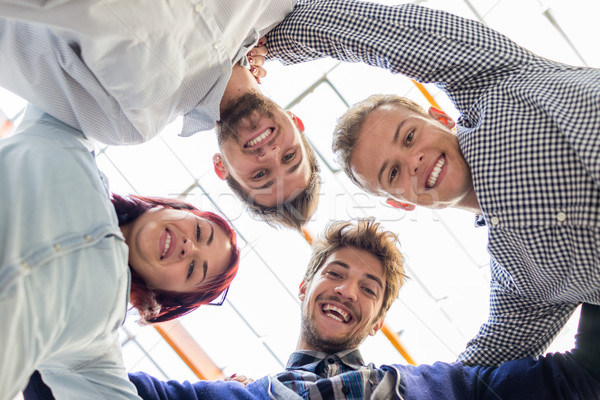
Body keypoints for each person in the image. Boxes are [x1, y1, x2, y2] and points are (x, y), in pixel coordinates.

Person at [265, 0, 600, 365]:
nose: (413, 160)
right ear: (400, 202)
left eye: (409, 137)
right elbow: (467, 378)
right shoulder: (521, 283)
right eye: (392, 173)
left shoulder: (495, 82)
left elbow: (381, 31)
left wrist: (261, 45)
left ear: (440, 117)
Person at [24, 219, 600, 399]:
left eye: (369, 289)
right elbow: (60, 382)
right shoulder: (227, 397)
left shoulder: (449, 387)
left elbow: (583, 375)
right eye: (336, 273)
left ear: (376, 322)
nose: (347, 291)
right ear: (304, 286)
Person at [0, 1, 320, 230]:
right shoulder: (276, 8)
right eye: (291, 156)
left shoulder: (131, 120)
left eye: (260, 176)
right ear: (297, 121)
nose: (270, 155)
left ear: (222, 167)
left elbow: (16, 44)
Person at [0, 105, 241, 400]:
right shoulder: (70, 144)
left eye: (193, 270)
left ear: (167, 294)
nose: (189, 247)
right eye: (200, 233)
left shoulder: (95, 343)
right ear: (174, 207)